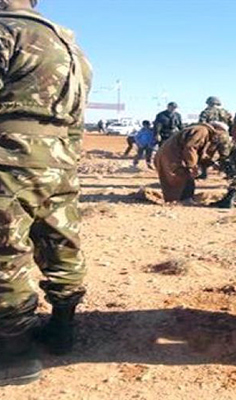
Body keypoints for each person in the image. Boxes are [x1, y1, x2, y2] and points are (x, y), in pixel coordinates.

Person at [0, 0, 92, 386]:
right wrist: (64, 161)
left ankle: (13, 352)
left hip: (9, 155)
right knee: (60, 242)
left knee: (6, 251)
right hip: (59, 160)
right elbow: (77, 121)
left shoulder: (6, 30)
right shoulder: (71, 46)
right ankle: (62, 328)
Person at [154, 121, 230, 202]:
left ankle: (176, 200)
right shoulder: (202, 131)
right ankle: (185, 200)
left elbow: (199, 152)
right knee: (185, 178)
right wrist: (192, 166)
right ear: (217, 129)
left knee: (173, 182)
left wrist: (210, 163)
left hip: (167, 155)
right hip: (172, 156)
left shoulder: (202, 131)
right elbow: (190, 148)